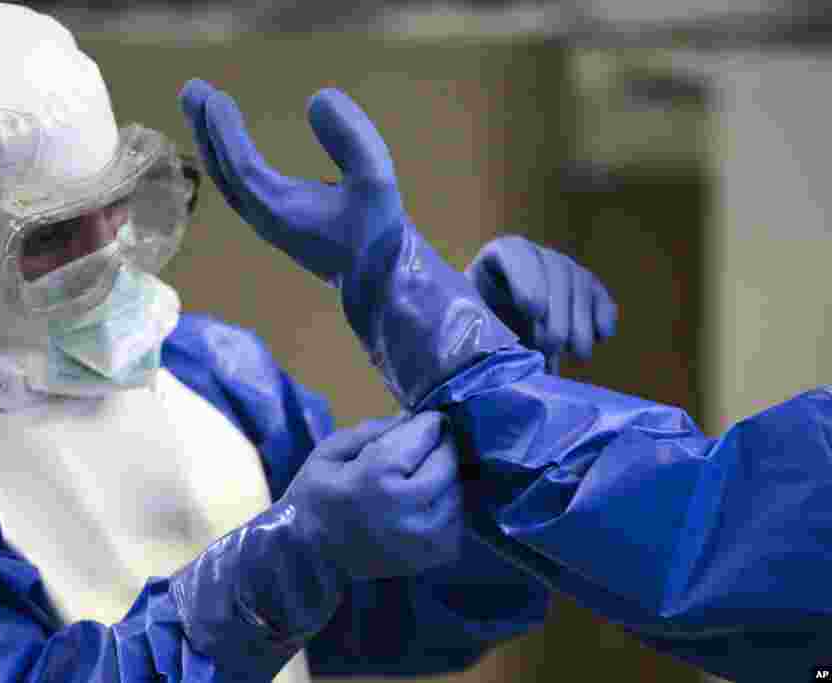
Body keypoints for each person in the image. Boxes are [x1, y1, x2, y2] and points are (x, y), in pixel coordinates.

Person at [0, 2, 612, 681]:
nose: (109, 257)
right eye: (52, 236)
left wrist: (487, 388)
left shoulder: (207, 373)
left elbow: (400, 615)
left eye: (116, 202)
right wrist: (285, 564)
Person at [180, 77, 832, 683]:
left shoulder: (217, 390)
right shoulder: (204, 377)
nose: (107, 237)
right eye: (75, 216)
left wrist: (477, 369)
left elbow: (422, 605)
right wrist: (477, 361)